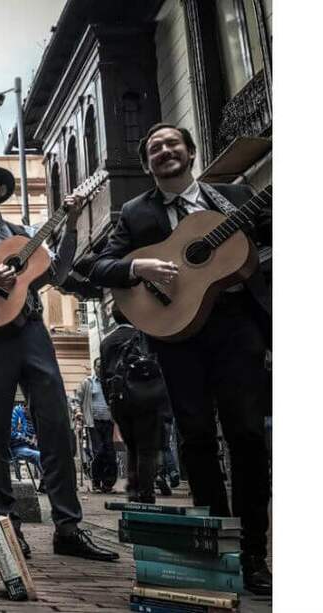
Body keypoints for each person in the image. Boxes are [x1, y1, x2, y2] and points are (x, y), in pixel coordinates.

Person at [88, 122, 272, 595]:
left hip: (236, 327)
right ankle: (218, 546)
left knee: (247, 433)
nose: (164, 151)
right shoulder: (135, 212)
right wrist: (138, 265)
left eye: (172, 144)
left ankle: (254, 551)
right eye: (154, 148)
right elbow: (99, 267)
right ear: (148, 162)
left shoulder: (229, 196)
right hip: (177, 336)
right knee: (195, 438)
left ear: (191, 152)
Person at [0, 156, 117, 562]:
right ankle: (7, 525)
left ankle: (67, 526)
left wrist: (70, 223)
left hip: (32, 333)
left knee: (57, 427)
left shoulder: (23, 234)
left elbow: (59, 272)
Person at [99, 308, 168, 504]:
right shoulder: (143, 336)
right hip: (145, 398)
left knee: (131, 446)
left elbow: (103, 376)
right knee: (146, 448)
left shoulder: (107, 342)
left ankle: (133, 490)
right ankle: (145, 493)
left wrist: (111, 404)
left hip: (119, 400)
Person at [76, 360, 118, 493]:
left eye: (103, 366)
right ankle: (96, 482)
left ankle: (108, 484)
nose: (101, 368)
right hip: (93, 423)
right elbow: (77, 400)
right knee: (99, 452)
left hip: (109, 422)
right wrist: (78, 411)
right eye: (99, 366)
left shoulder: (110, 382)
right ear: (94, 367)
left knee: (110, 453)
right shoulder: (88, 382)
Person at [10, 403, 44, 491]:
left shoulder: (33, 416)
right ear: (25, 407)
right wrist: (27, 439)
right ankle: (47, 483)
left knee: (48, 454)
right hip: (17, 447)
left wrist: (35, 438)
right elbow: (12, 434)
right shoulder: (15, 413)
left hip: (30, 446)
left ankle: (45, 483)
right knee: (39, 455)